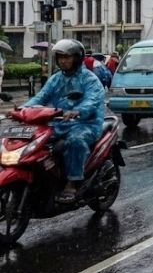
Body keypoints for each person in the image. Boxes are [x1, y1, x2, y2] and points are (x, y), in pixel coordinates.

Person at [23, 39, 106, 203]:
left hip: (86, 124)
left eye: (67, 57)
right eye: (60, 57)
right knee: (34, 140)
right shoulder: (55, 79)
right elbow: (41, 97)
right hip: (59, 123)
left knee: (75, 141)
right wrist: (22, 110)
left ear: (77, 58)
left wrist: (77, 111)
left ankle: (72, 182)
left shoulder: (89, 79)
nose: (63, 61)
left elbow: (92, 100)